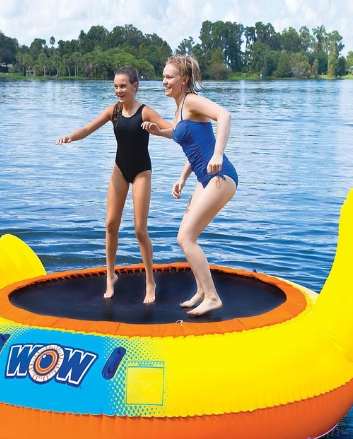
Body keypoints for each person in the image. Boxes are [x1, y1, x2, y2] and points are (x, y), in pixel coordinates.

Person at [57, 66, 172, 303]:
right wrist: (70, 136)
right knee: (110, 224)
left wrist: (157, 130)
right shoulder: (114, 111)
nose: (118, 90)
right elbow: (88, 128)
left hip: (141, 171)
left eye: (123, 86)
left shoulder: (145, 112)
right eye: (116, 86)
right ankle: (111, 277)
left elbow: (171, 128)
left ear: (134, 86)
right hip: (120, 169)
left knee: (140, 229)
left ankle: (150, 281)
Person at [142, 55, 238, 316]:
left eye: (169, 77)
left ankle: (213, 297)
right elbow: (192, 144)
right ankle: (200, 291)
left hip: (220, 176)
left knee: (186, 238)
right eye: (163, 76)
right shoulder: (179, 108)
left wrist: (218, 154)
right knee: (184, 235)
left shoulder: (192, 100)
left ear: (183, 80)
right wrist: (182, 176)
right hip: (203, 178)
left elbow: (224, 116)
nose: (164, 81)